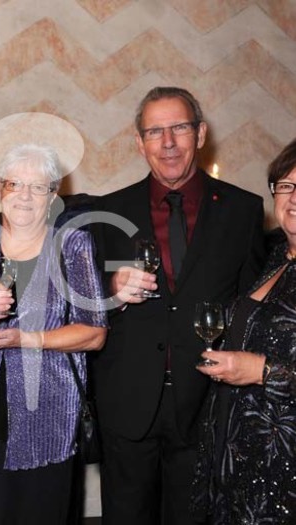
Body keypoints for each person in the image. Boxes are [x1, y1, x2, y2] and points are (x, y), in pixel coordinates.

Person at [91, 86, 265, 525]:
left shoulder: (244, 210)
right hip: (126, 403)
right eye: (155, 132)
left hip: (206, 402)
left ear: (200, 134)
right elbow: (84, 302)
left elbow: (251, 310)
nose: (168, 142)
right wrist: (110, 287)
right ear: (139, 142)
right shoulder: (107, 213)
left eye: (179, 128)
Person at [0, 143, 107, 524]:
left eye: (38, 187)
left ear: (53, 197)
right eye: (15, 183)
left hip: (47, 420)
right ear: (1, 189)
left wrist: (27, 338)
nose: (25, 195)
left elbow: (94, 333)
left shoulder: (72, 246)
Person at [191, 138, 296, 524]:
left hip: (283, 463)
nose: (293, 198)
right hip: (237, 449)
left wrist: (262, 371)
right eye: (286, 185)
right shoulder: (276, 257)